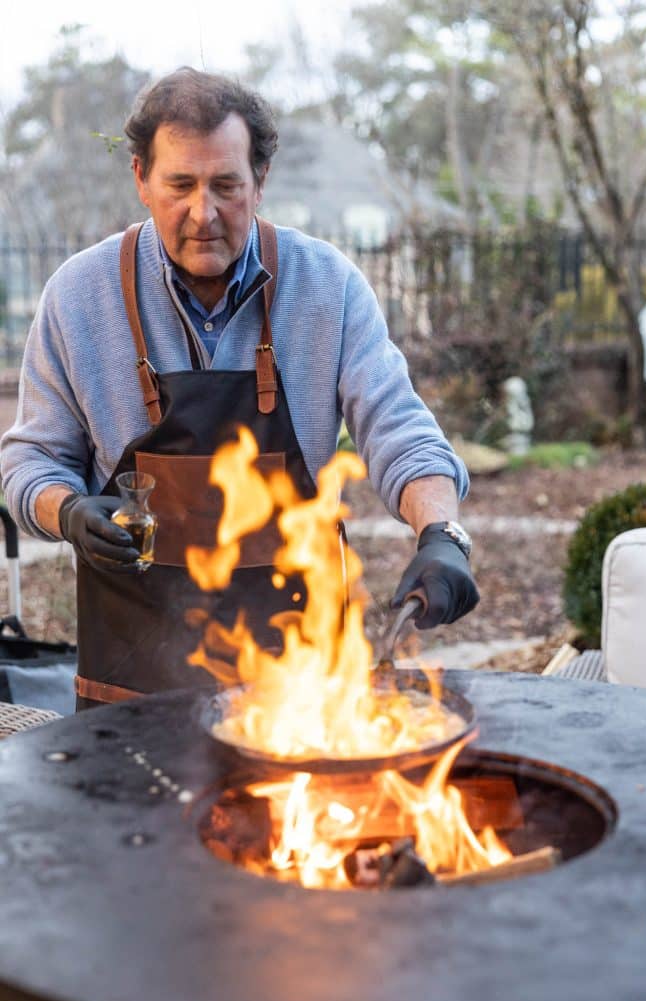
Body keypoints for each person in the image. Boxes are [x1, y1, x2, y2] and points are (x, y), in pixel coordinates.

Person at [0, 68, 479, 709]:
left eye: (226, 185)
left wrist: (441, 533)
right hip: (130, 692)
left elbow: (399, 427)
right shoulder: (78, 297)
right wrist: (68, 510)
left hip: (298, 694)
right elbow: (30, 460)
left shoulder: (327, 288)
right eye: (180, 185)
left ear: (260, 182)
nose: (203, 213)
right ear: (141, 178)